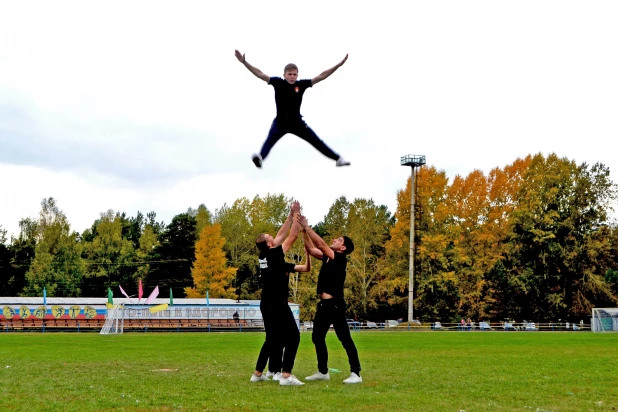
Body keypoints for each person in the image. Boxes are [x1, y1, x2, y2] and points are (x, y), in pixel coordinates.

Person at [234, 49, 351, 169]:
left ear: (297, 75)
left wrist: (338, 65)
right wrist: (244, 62)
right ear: (284, 75)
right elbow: (260, 74)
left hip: (297, 123)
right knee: (270, 140)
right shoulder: (278, 82)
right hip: (280, 122)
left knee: (316, 141)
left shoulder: (301, 85)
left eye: (294, 74)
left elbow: (321, 76)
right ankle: (260, 158)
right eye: (289, 74)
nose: (292, 77)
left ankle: (338, 159)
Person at [250, 201, 310, 386]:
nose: (274, 237)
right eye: (271, 237)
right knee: (293, 337)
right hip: (277, 303)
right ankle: (286, 375)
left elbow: (281, 234)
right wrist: (298, 218)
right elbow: (290, 236)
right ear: (270, 243)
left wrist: (290, 216)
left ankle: (258, 373)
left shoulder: (264, 255)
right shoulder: (274, 253)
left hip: (266, 303)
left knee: (272, 338)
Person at [297, 215, 362, 384]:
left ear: (343, 247)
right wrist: (304, 231)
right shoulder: (327, 257)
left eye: (339, 239)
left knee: (345, 338)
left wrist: (308, 227)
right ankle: (323, 371)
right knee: (317, 337)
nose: (335, 239)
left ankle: (356, 373)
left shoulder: (339, 258)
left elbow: (320, 244)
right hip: (324, 305)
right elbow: (311, 249)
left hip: (335, 305)